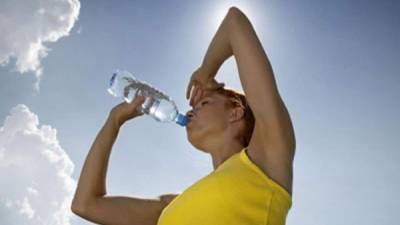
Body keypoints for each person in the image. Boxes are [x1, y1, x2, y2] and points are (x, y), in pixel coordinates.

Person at [71, 6, 295, 225]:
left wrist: (206, 71)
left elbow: (234, 22)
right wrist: (114, 120)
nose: (191, 109)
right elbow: (86, 204)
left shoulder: (267, 157)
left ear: (236, 113)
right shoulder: (171, 205)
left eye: (205, 102)